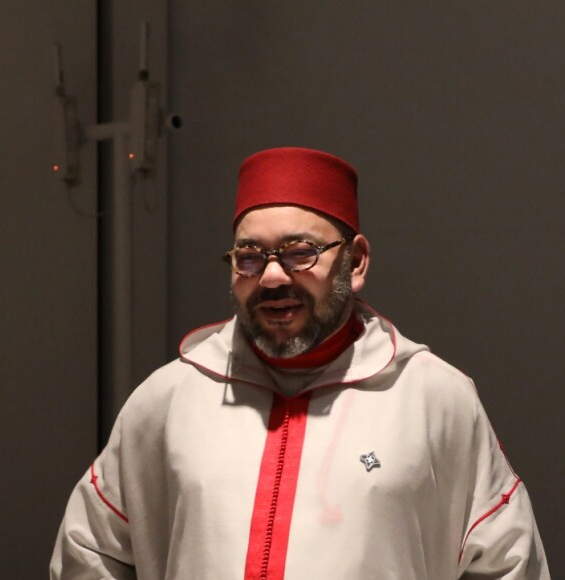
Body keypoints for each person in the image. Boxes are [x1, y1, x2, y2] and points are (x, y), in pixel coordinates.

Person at [51, 147, 550, 579]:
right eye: (249, 256)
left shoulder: (433, 400)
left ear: (355, 263)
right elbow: (90, 553)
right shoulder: (169, 400)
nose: (271, 277)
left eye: (299, 253)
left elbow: (507, 562)